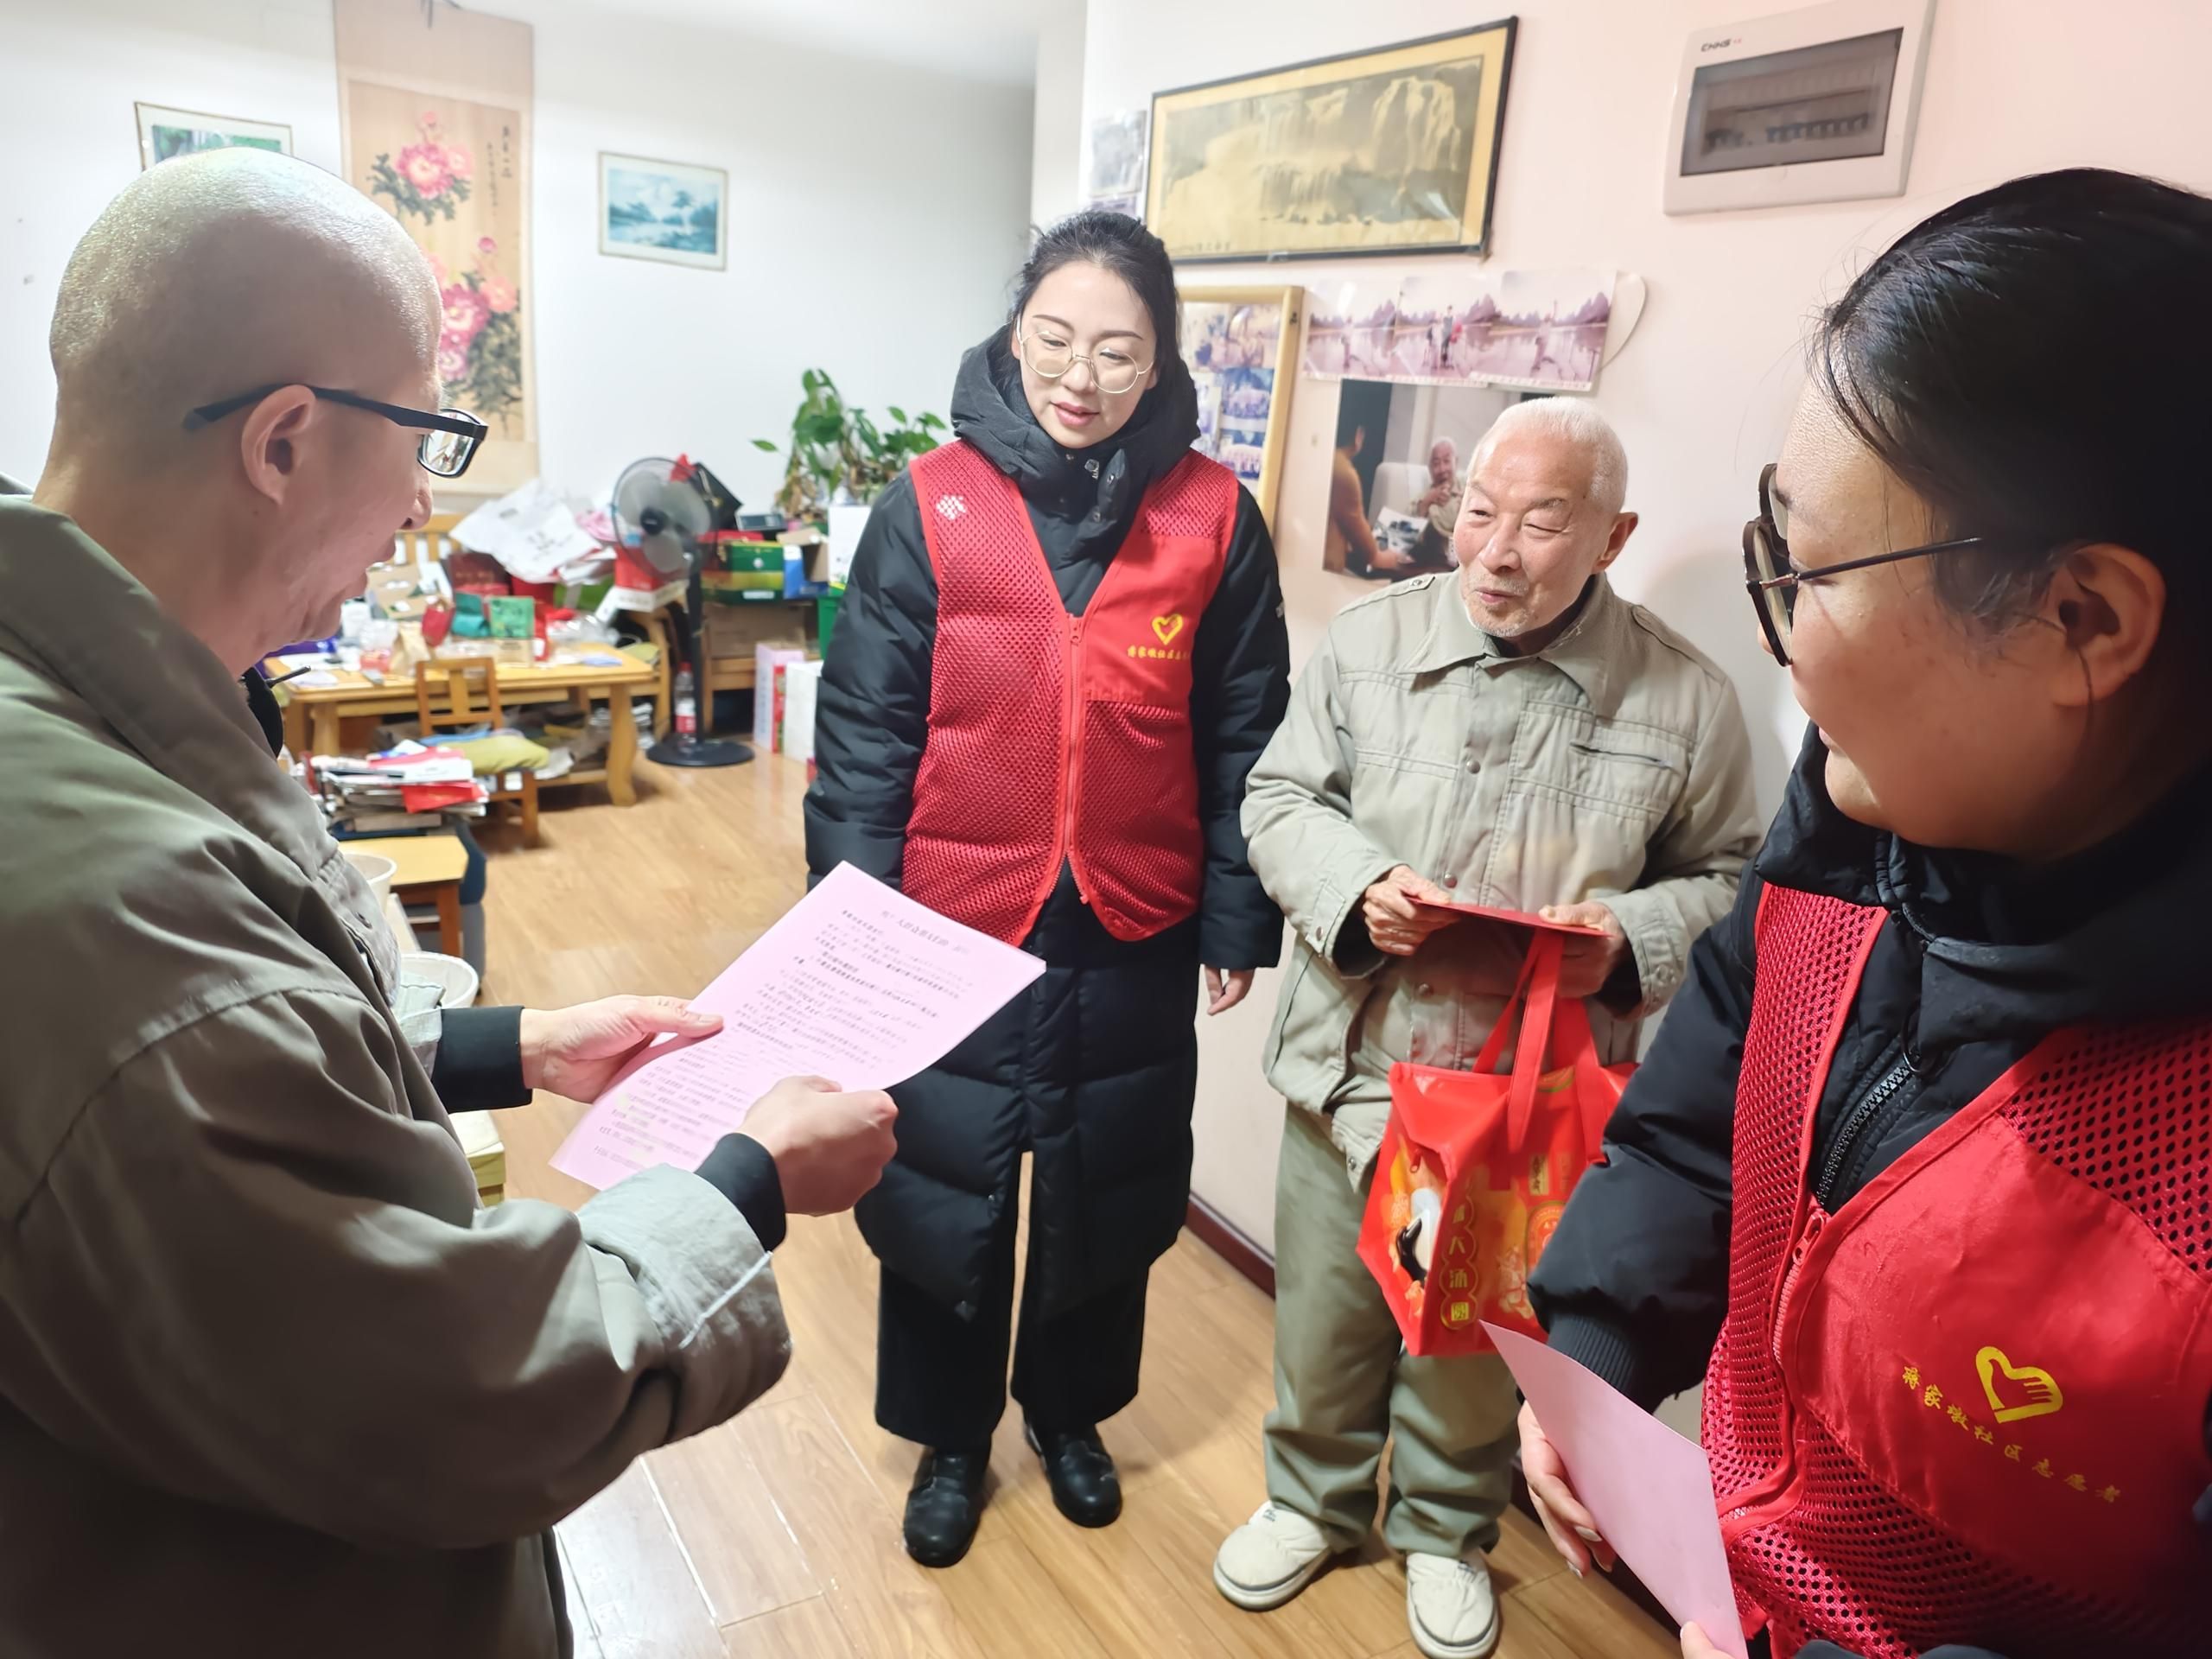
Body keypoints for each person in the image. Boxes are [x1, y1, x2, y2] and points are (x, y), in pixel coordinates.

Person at [0, 149, 899, 1658]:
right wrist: (747, 1179)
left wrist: (517, 1041)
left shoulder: (76, 717)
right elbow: (456, 1388)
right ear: (283, 442)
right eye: (424, 434)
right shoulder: (116, 911)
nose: (426, 499)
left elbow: (270, 1042)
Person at [1524, 168, 2212, 1659]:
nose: (1792, 656)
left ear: (2081, 619)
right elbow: (1706, 1115)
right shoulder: (1854, 825)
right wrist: (1596, 1346)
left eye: (1809, 570)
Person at [1215, 397, 1761, 1659]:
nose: (1496, 550)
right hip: (1355, 1062)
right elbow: (1281, 792)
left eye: (1540, 522)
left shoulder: (1683, 698)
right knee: (1328, 1318)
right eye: (1478, 511)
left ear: (1612, 537)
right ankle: (1312, 1501)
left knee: (1470, 1334)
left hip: (1522, 1099)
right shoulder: (1369, 642)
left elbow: (1735, 879)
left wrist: (1628, 934)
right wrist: (1355, 888)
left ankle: (1446, 1531)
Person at [805, 211, 1291, 1569]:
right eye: (1055, 341)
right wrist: (849, 925)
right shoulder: (931, 502)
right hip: (950, 911)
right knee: (947, 1178)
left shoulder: (1213, 517)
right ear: (1015, 334)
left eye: (1118, 353)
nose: (1080, 377)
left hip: (1134, 914)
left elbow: (1246, 729)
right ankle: (950, 1437)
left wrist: (1240, 910)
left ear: (1161, 365)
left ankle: (1070, 1415)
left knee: (1109, 1179)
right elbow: (865, 735)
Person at [1325, 406, 1401, 577]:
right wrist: (1382, 557)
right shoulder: (1343, 470)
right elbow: (1364, 544)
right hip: (1329, 568)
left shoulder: (1329, 459)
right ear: (1358, 435)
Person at [1410, 436, 1464, 570]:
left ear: (1455, 463)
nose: (1442, 469)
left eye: (1446, 461)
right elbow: (1404, 536)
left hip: (1453, 564)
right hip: (1424, 561)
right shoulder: (1422, 498)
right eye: (1436, 463)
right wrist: (1427, 502)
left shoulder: (1468, 494)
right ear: (1430, 468)